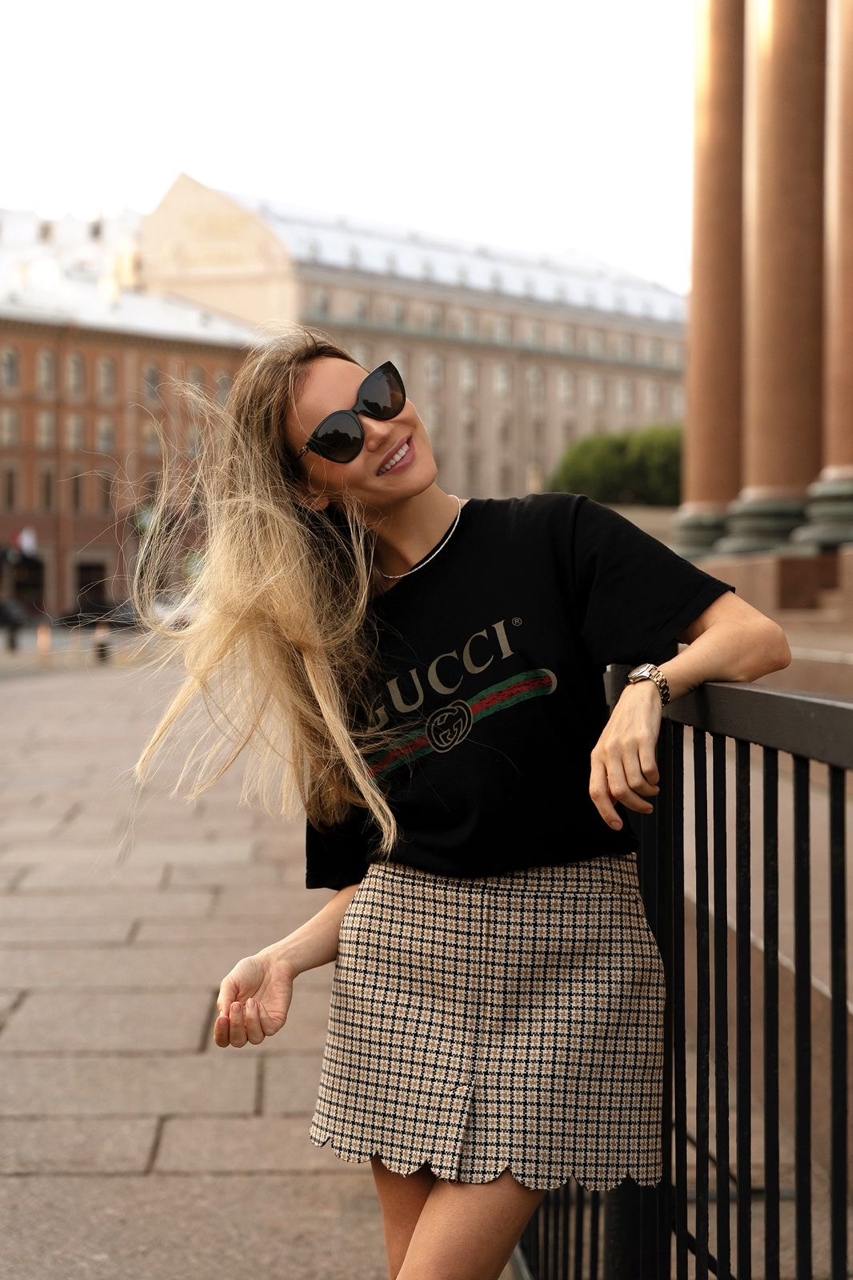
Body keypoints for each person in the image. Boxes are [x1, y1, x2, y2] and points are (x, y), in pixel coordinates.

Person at [135, 328, 790, 1280]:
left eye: (378, 393)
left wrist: (648, 686)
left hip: (573, 961)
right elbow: (375, 872)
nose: (379, 427)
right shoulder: (329, 640)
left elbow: (755, 636)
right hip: (402, 968)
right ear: (310, 488)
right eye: (337, 435)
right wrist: (281, 957)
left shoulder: (553, 535)